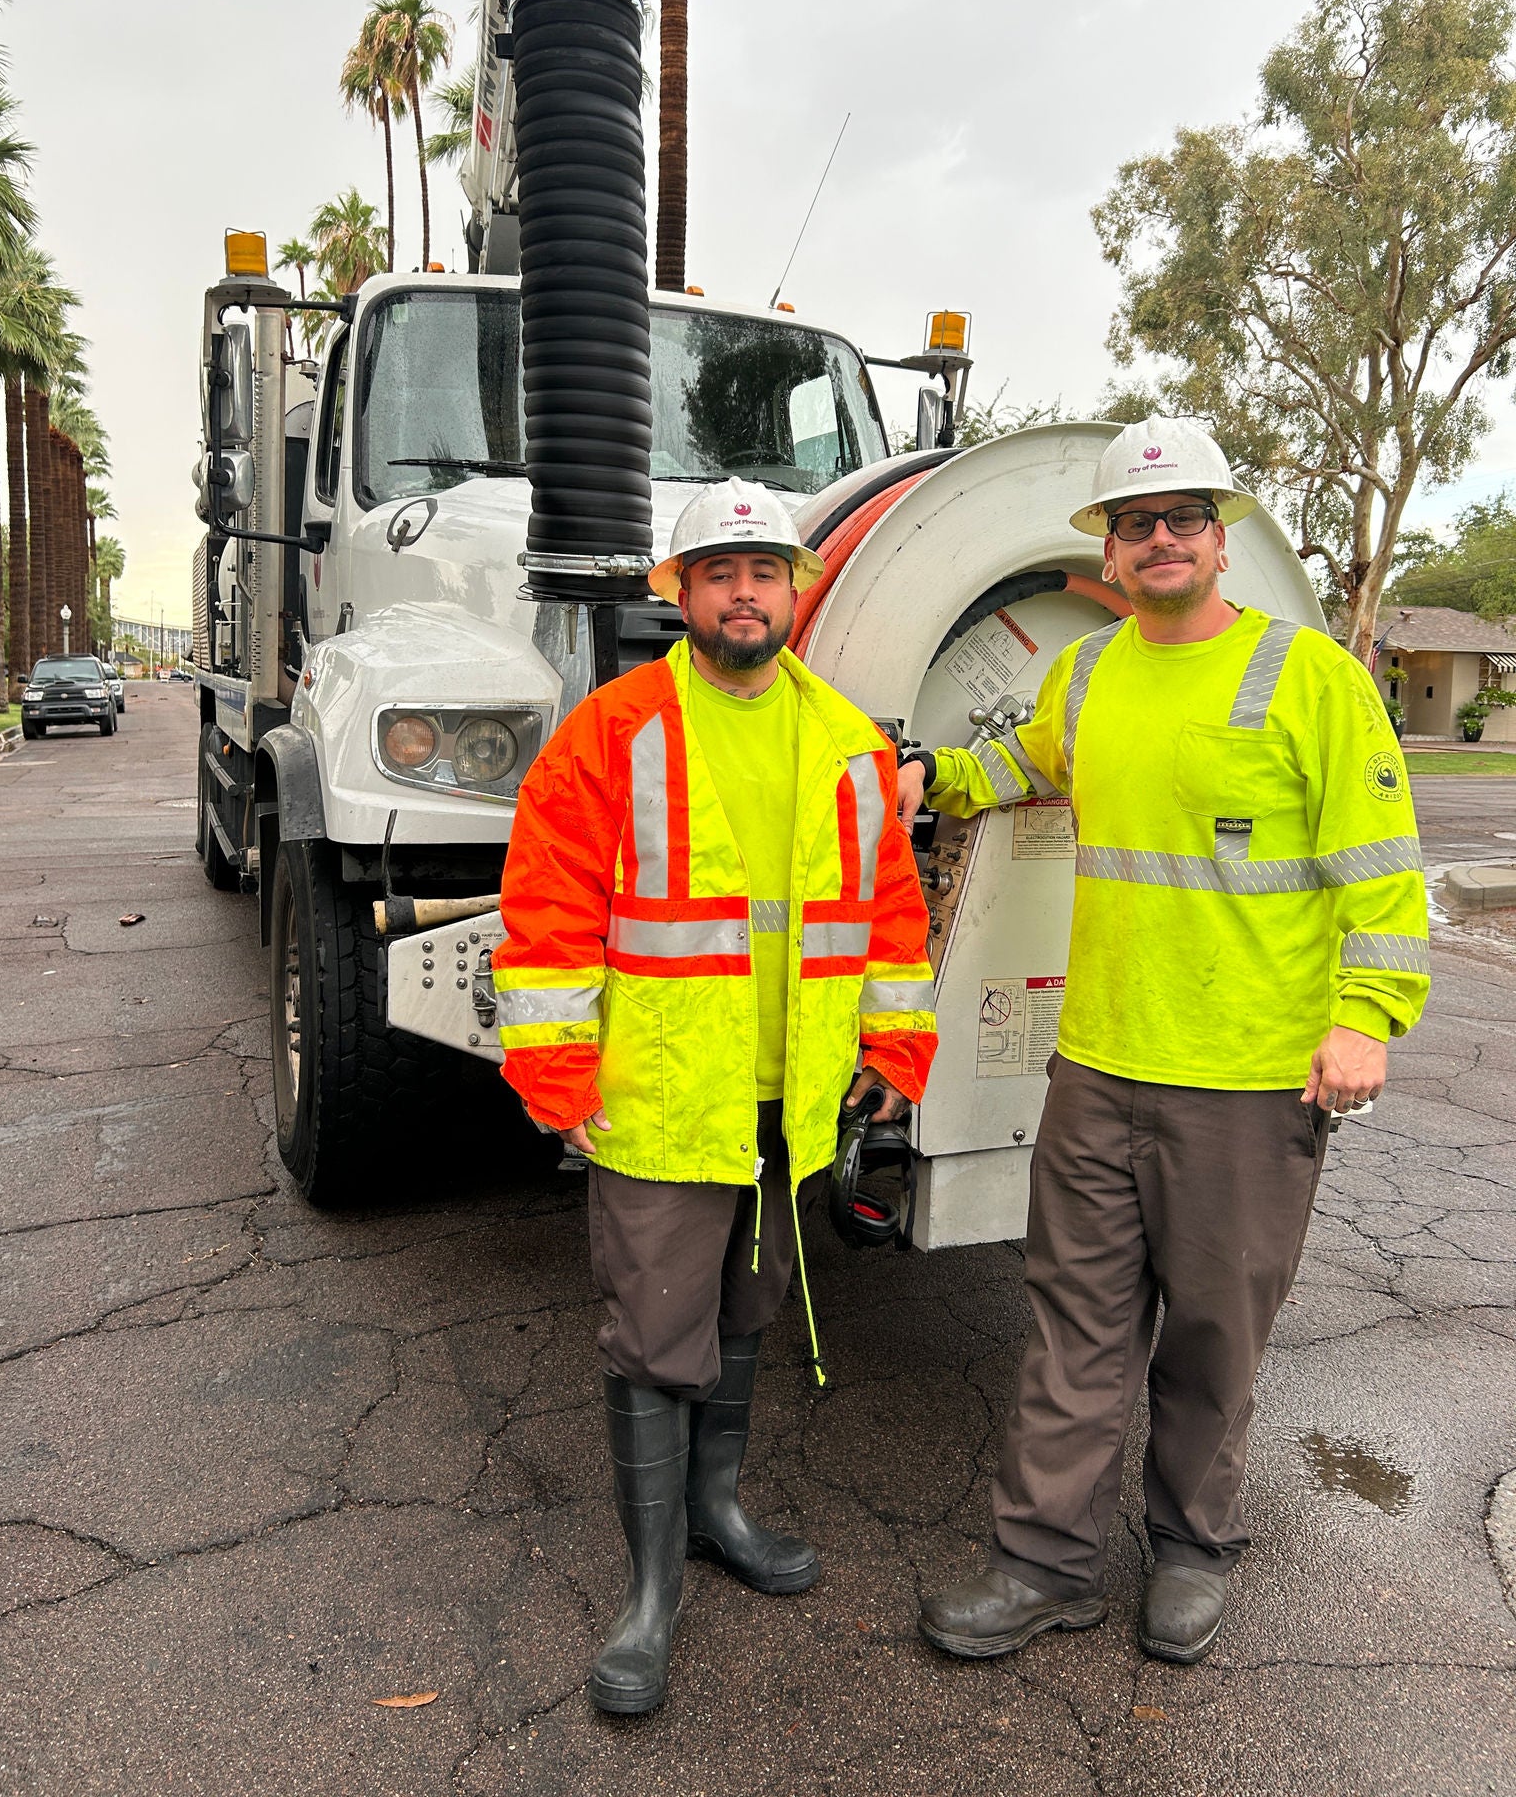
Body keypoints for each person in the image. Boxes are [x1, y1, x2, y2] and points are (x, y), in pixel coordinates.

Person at [899, 419, 1429, 1667]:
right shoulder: (1088, 671)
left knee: (1211, 1332)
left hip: (1247, 1078)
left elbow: (1381, 865)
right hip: (1097, 1064)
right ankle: (1045, 1562)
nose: (1161, 538)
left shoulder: (1309, 676)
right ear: (1111, 548)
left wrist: (1366, 1014)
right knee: (1071, 1325)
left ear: (1221, 533)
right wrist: (939, 775)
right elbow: (1027, 759)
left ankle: (1193, 1546)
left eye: (1184, 515)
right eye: (1137, 522)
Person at [493, 477, 938, 1716]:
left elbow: (890, 919)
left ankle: (716, 1510)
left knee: (747, 1309)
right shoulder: (612, 732)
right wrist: (554, 1069)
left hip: (789, 1102)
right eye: (721, 572)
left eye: (765, 572)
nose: (746, 592)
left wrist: (893, 1053)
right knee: (653, 1329)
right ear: (680, 593)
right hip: (661, 1098)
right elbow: (547, 910)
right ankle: (650, 1592)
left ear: (796, 590)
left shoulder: (848, 743)